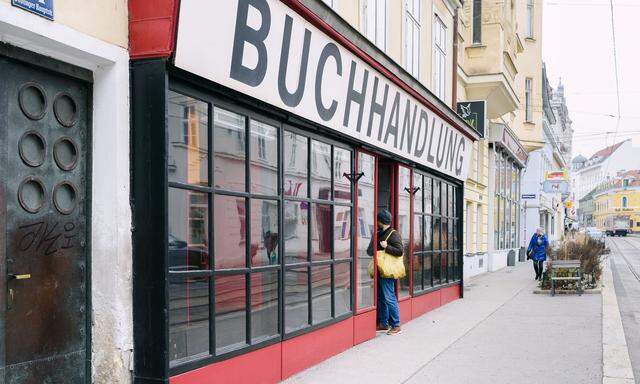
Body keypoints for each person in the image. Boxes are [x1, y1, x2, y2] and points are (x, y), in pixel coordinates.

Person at [367, 209, 404, 335]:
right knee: (381, 297)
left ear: (380, 221)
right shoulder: (377, 233)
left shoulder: (394, 234)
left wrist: (385, 247)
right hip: (378, 270)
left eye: (377, 220)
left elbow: (400, 251)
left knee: (389, 297)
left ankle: (396, 325)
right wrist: (374, 242)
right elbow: (369, 251)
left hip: (387, 271)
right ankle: (383, 323)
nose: (376, 222)